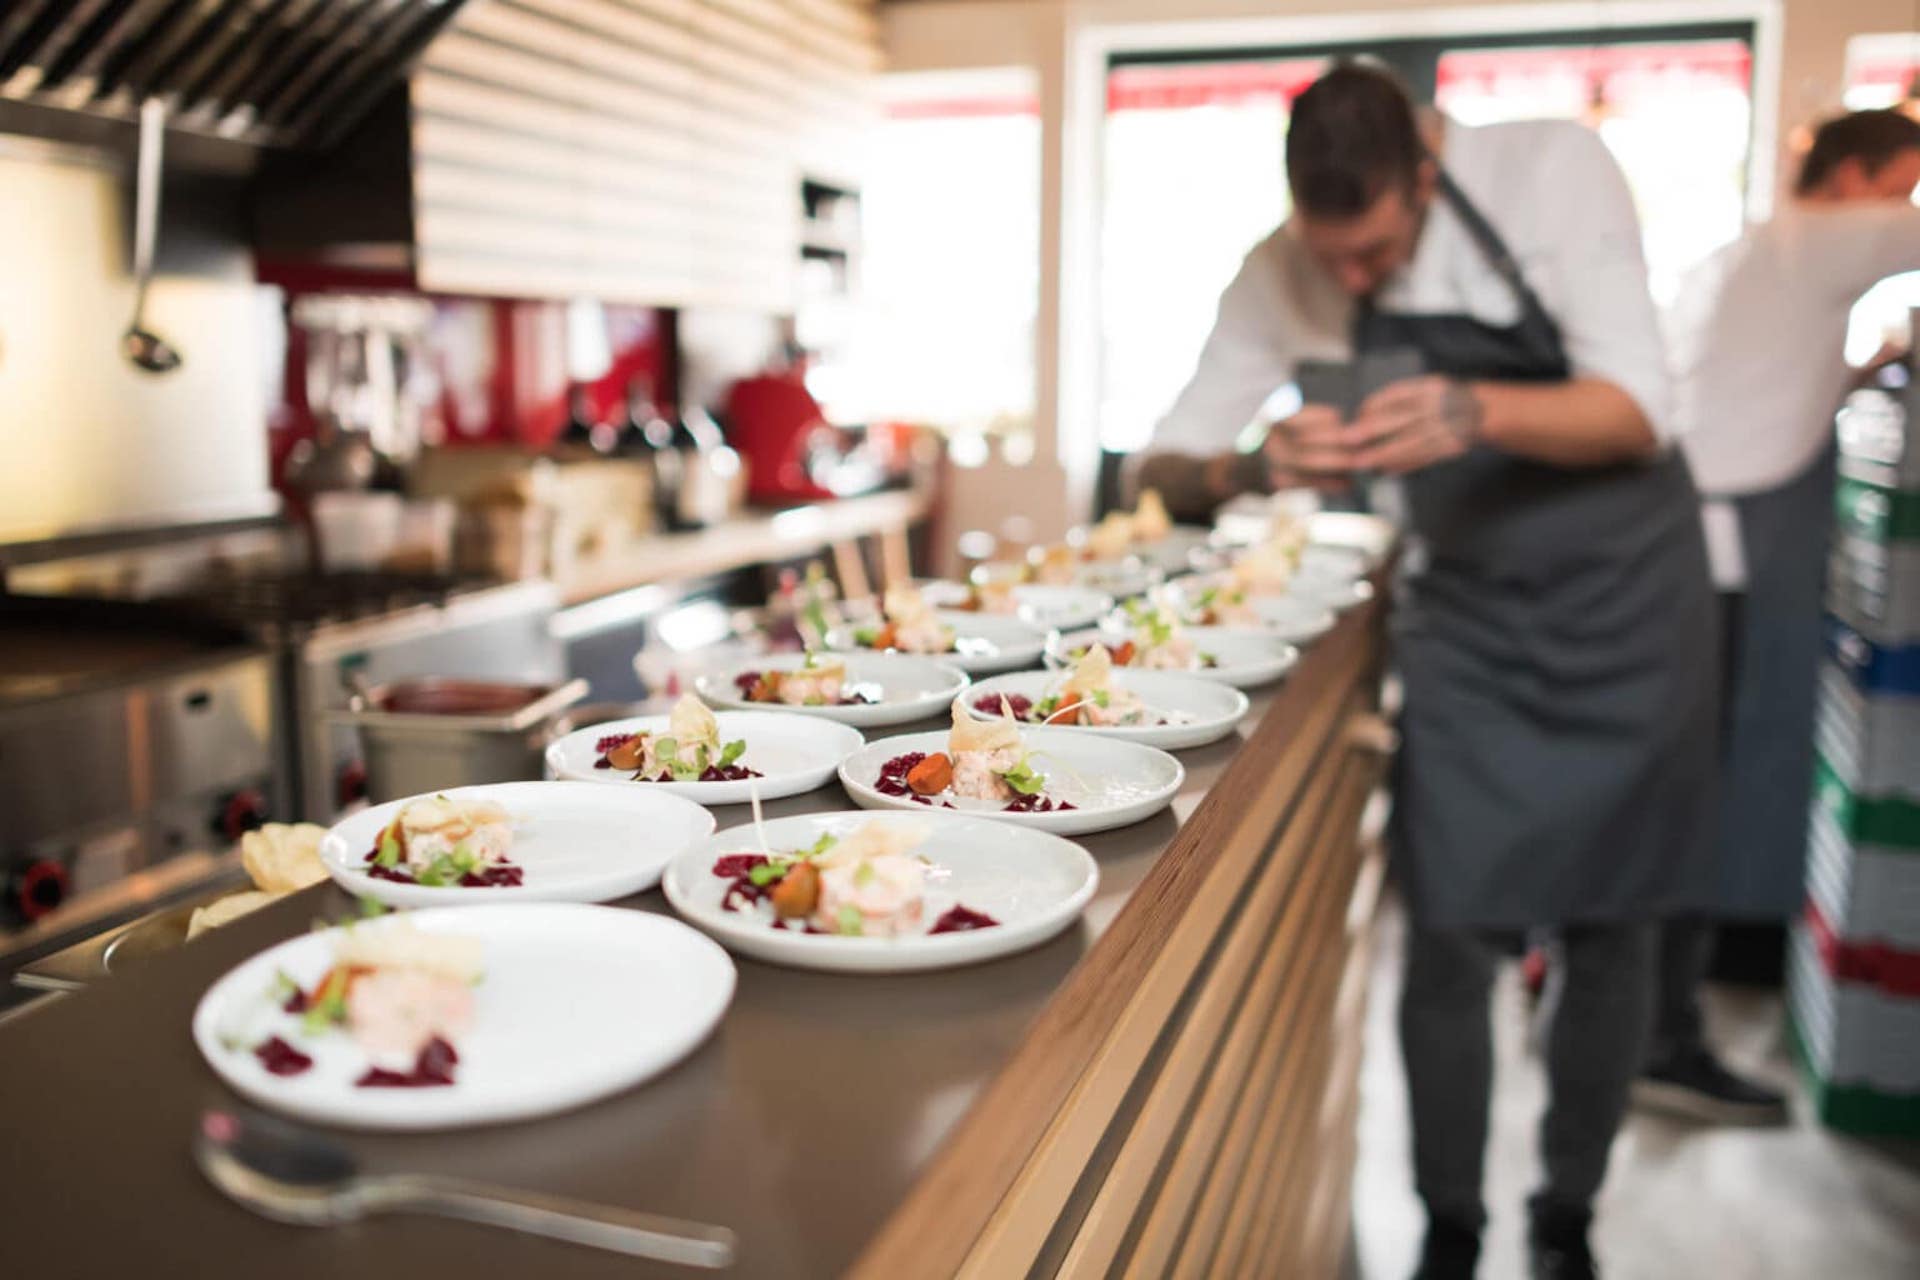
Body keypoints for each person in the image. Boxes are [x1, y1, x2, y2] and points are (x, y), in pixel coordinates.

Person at [1136, 65, 1717, 1280]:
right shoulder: (1278, 270)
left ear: (1428, 170)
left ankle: (1569, 1217)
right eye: (1329, 256)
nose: (1353, 280)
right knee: (1450, 931)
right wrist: (1253, 463)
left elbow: (1639, 410)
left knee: (1615, 930)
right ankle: (1449, 1229)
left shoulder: (1551, 171)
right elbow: (1169, 463)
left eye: (1378, 249)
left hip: (1626, 610)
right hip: (1468, 619)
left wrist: (1474, 410)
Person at [1637, 109, 1920, 1124]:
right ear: (1850, 178)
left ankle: (1645, 1020)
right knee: (1693, 799)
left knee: (1680, 790)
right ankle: (1659, 1036)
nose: (1900, 204)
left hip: (1684, 544)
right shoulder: (1819, 237)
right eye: (1899, 180)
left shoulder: (1756, 247)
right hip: (1717, 559)